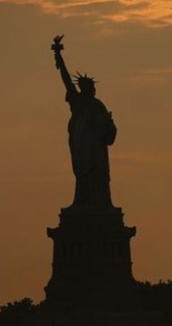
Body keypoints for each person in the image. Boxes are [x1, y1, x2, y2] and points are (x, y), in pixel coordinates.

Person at [51, 35, 118, 208]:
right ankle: (84, 202)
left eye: (94, 88)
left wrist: (109, 126)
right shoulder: (78, 101)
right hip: (82, 146)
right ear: (85, 88)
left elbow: (109, 131)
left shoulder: (97, 105)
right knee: (84, 176)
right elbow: (66, 80)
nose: (94, 90)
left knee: (99, 176)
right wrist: (59, 57)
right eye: (91, 88)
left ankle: (100, 203)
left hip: (96, 148)